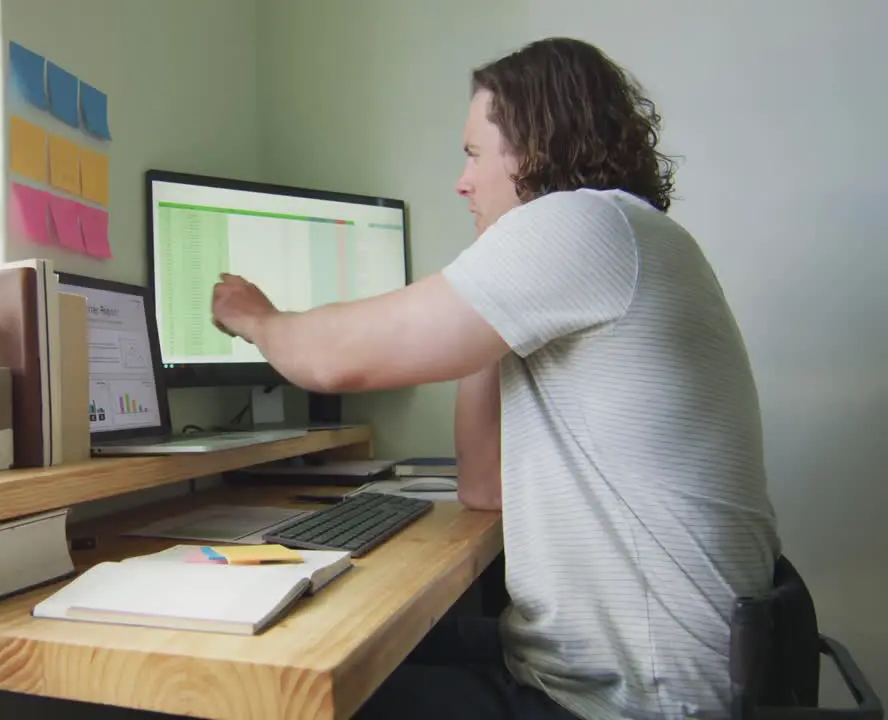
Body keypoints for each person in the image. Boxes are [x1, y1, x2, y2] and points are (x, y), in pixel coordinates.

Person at [210, 37, 780, 720]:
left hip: (636, 703)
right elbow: (484, 488)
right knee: (370, 648)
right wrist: (488, 310)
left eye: (475, 154)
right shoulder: (621, 236)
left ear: (536, 150)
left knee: (279, 693)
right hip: (622, 672)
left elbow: (334, 359)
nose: (461, 181)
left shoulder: (586, 223)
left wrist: (255, 317)